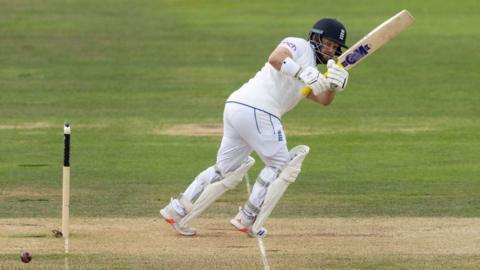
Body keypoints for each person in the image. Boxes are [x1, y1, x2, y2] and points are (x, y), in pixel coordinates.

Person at [160, 18, 349, 238]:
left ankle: (177, 208)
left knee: (224, 168)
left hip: (237, 108)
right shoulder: (298, 44)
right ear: (315, 37)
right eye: (328, 43)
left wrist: (333, 85)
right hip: (259, 109)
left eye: (335, 47)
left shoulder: (313, 71)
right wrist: (301, 72)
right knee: (281, 166)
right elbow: (276, 58)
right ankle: (247, 217)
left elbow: (323, 100)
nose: (331, 49)